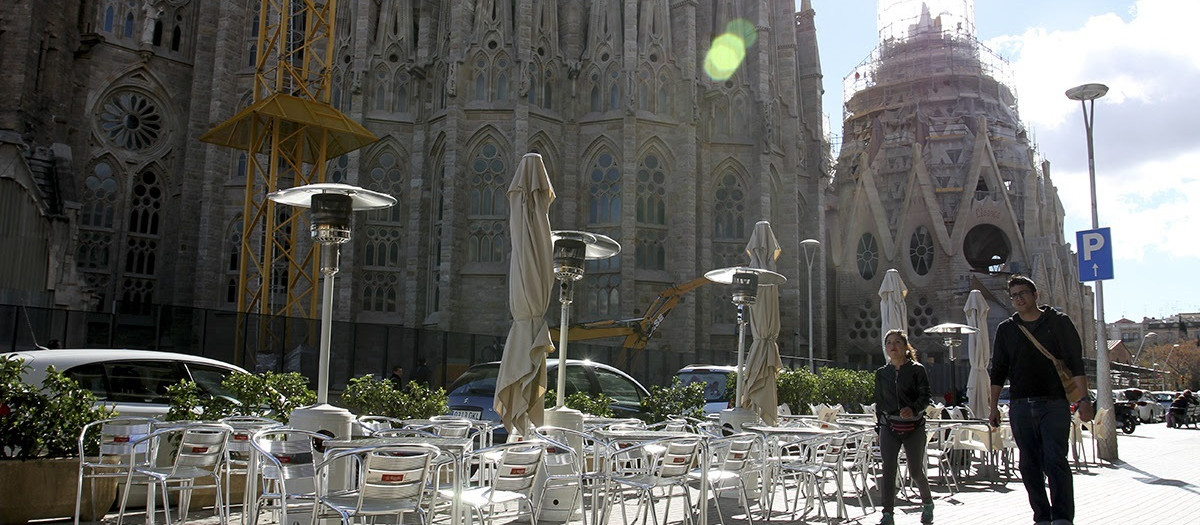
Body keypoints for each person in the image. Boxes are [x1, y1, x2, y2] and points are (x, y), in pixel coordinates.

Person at [988, 275, 1092, 525]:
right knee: (1028, 464)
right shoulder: (1007, 329)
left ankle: (1063, 517)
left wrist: (1085, 399)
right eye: (1013, 295)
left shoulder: (1058, 322)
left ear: (1036, 295)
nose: (1019, 299)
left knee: (1055, 459)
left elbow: (1076, 362)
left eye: (1023, 293)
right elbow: (999, 369)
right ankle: (1042, 516)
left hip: (1054, 403)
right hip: (1020, 405)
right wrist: (992, 407)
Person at [874, 328, 935, 525]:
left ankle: (927, 503)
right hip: (889, 427)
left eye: (897, 342)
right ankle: (887, 513)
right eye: (889, 343)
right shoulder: (882, 373)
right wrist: (879, 427)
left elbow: (926, 397)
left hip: (914, 427)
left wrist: (913, 408)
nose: (893, 346)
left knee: (915, 470)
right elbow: (879, 402)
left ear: (905, 347)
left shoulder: (917, 370)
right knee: (888, 469)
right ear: (885, 348)